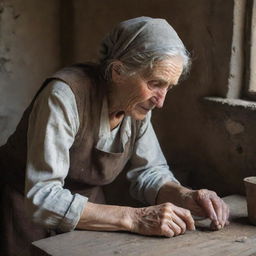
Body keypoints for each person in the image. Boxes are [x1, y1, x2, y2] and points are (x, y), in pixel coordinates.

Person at [0, 17, 229, 256]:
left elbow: (149, 172)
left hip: (88, 213)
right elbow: (43, 198)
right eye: (155, 84)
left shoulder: (136, 105)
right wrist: (134, 217)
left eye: (168, 87)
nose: (161, 101)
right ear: (118, 71)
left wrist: (186, 195)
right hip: (21, 208)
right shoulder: (64, 96)